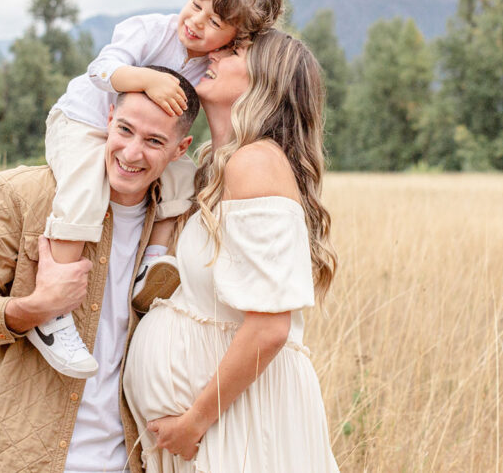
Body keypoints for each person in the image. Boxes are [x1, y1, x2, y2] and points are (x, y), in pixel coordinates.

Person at [33, 0, 284, 379]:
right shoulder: (151, 30)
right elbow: (101, 70)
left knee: (182, 177)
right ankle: (53, 308)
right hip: (83, 121)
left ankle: (151, 263)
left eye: (215, 21)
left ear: (235, 37)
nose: (197, 22)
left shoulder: (211, 65)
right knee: (84, 188)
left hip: (140, 141)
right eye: (196, 5)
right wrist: (146, 79)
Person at [0, 75, 200, 473]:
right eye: (125, 130)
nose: (131, 152)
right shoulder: (19, 195)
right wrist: (33, 309)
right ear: (108, 119)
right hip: (25, 457)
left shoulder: (185, 223)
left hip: (134, 458)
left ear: (181, 149)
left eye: (154, 141)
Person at [124, 30, 341, 472]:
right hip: (216, 426)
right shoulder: (219, 167)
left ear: (265, 82)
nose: (214, 54)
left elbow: (270, 327)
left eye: (235, 50)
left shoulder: (255, 163)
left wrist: (194, 421)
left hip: (239, 424)